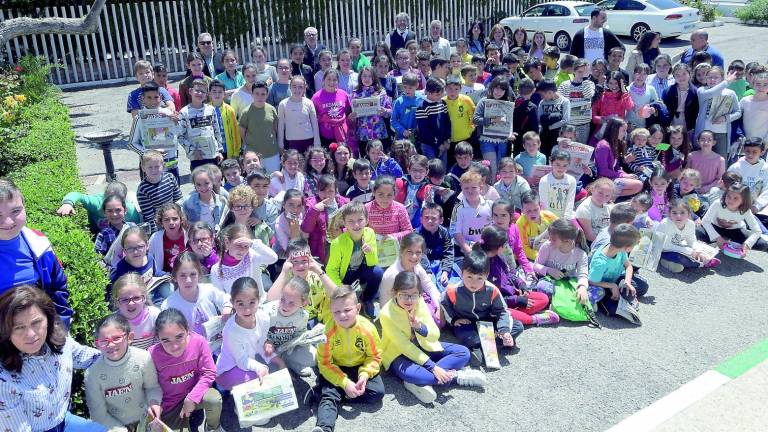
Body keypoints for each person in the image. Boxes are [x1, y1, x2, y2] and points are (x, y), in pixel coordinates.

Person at [0, 285, 104, 432]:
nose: (31, 334)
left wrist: (127, 358)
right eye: (19, 327)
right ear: (5, 330)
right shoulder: (3, 379)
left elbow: (87, 357)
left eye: (36, 323)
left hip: (63, 420)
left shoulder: (59, 341)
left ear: (48, 319)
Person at [380, 271, 486, 404]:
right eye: (404, 295)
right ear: (394, 292)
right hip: (399, 355)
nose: (409, 300)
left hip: (422, 345)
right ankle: (456, 376)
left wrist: (420, 327)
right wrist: (434, 368)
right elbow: (404, 346)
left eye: (414, 295)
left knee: (463, 352)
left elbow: (435, 334)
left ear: (419, 294)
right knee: (423, 374)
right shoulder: (386, 313)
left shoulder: (419, 302)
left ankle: (419, 382)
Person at [311, 286, 385, 432]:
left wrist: (364, 375)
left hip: (360, 366)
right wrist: (344, 383)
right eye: (336, 312)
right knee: (329, 396)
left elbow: (375, 356)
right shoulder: (327, 332)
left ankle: (327, 394)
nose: (342, 315)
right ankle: (324, 428)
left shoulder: (368, 329)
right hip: (336, 368)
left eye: (347, 310)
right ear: (331, 312)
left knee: (377, 393)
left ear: (357, 308)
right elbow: (324, 362)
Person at [441, 250, 519, 367]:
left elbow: (502, 311)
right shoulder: (454, 290)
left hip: (486, 322)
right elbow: (444, 304)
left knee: (518, 326)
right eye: (469, 277)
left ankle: (484, 346)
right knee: (465, 333)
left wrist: (504, 331)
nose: (474, 282)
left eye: (479, 278)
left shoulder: (492, 290)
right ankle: (482, 346)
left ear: (486, 276)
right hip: (466, 323)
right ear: (462, 273)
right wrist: (454, 320)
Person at [85, 313, 162, 431]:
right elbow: (98, 414)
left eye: (116, 338)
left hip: (146, 419)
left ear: (130, 337)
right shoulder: (92, 374)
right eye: (104, 341)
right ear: (97, 344)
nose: (110, 344)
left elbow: (152, 387)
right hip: (115, 426)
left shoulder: (144, 358)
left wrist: (154, 402)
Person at [150, 308, 222, 431]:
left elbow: (209, 372)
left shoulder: (198, 342)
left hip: (196, 392)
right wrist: (154, 403)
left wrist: (192, 398)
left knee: (214, 400)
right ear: (157, 338)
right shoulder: (152, 355)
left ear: (187, 330)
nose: (175, 346)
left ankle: (213, 427)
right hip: (170, 403)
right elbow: (150, 386)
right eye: (166, 340)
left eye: (179, 336)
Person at [327, 201, 385, 316]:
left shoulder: (370, 233)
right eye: (351, 221)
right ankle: (349, 300)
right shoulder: (337, 243)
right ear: (344, 223)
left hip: (361, 269)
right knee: (343, 298)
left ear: (367, 220)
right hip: (346, 275)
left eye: (360, 220)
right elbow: (331, 269)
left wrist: (369, 252)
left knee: (378, 272)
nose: (356, 225)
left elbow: (373, 262)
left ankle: (367, 299)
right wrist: (340, 287)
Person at [379, 233, 443, 326]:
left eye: (418, 252)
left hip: (416, 300)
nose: (414, 257)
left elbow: (429, 285)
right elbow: (385, 301)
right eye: (409, 252)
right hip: (399, 308)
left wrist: (438, 305)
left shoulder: (417, 266)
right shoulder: (392, 275)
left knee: (439, 320)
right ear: (401, 251)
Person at [211, 223, 278, 298]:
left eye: (246, 246)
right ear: (227, 242)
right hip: (235, 307)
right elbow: (220, 296)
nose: (242, 250)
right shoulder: (216, 269)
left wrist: (253, 243)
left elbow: (273, 258)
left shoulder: (251, 256)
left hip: (258, 302)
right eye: (238, 245)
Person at [656, 199, 721, 273]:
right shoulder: (665, 224)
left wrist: (698, 251)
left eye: (682, 213)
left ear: (689, 214)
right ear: (669, 214)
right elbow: (665, 246)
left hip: (677, 248)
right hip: (662, 250)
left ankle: (700, 260)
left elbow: (692, 241)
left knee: (681, 265)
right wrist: (690, 251)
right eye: (674, 213)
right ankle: (701, 264)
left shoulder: (690, 224)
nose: (678, 216)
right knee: (678, 257)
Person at [700, 183, 763, 255]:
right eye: (728, 196)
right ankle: (717, 241)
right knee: (698, 232)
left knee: (762, 244)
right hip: (716, 227)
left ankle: (731, 242)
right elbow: (705, 221)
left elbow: (757, 231)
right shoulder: (717, 204)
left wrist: (747, 244)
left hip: (735, 231)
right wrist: (717, 237)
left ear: (743, 200)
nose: (731, 200)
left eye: (735, 198)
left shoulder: (745, 210)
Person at [302, 175, 350, 264]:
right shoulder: (312, 204)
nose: (326, 194)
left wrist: (343, 231)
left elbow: (350, 224)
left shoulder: (344, 203)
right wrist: (315, 210)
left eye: (330, 191)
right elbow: (306, 228)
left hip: (340, 241)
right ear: (317, 190)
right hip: (321, 246)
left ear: (336, 191)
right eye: (322, 190)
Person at [694, 68, 741, 159]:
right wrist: (727, 81)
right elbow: (712, 92)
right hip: (704, 132)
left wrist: (725, 118)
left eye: (716, 77)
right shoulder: (702, 90)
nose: (712, 80)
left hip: (722, 133)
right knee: (703, 160)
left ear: (721, 79)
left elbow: (738, 112)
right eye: (709, 77)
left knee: (721, 160)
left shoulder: (730, 93)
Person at [178, 79, 224, 170]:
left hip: (212, 155)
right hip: (197, 157)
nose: (200, 93)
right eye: (197, 90)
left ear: (206, 94)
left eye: (203, 91)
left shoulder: (211, 109)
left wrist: (219, 150)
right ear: (190, 91)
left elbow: (216, 131)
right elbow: (180, 136)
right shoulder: (184, 112)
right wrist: (193, 151)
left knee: (214, 181)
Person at [594, 118, 644, 197]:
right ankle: (609, 196)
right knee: (638, 184)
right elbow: (603, 171)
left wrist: (626, 175)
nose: (625, 133)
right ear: (615, 130)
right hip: (604, 179)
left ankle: (610, 196)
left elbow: (616, 167)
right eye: (623, 130)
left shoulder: (615, 144)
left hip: (613, 177)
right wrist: (623, 176)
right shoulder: (603, 146)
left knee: (637, 181)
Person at [110, 272, 160, 350]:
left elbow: (159, 343)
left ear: (144, 298)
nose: (131, 303)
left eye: (136, 298)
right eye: (125, 300)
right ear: (116, 302)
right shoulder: (113, 323)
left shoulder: (155, 315)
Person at [136, 150, 182, 233]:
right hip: (158, 223)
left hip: (174, 215)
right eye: (150, 167)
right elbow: (149, 217)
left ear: (163, 166)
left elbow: (178, 200)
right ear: (143, 168)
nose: (154, 170)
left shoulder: (170, 177)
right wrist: (157, 234)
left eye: (157, 166)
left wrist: (181, 220)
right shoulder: (142, 190)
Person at [450, 171, 493, 257]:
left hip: (486, 247)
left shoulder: (490, 205)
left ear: (481, 188)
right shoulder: (457, 208)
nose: (470, 191)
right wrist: (467, 249)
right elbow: (455, 231)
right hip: (464, 249)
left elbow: (495, 227)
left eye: (473, 187)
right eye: (466, 188)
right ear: (461, 189)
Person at [727, 138, 768, 225]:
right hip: (737, 204)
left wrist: (756, 206)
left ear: (762, 152)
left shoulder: (765, 168)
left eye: (754, 152)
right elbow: (728, 187)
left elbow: (766, 191)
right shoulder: (736, 167)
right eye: (747, 151)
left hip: (757, 206)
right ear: (743, 150)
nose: (750, 154)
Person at [278, 75, 321, 153]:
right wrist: (280, 145)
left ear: (304, 88)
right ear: (290, 87)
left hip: (309, 140)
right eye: (294, 86)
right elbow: (280, 126)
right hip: (291, 142)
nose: (297, 89)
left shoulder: (309, 102)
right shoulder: (283, 104)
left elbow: (315, 124)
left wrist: (317, 144)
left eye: (300, 87)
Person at [558, 58, 596, 144]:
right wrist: (580, 108)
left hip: (583, 126)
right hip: (568, 126)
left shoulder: (590, 84)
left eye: (584, 72)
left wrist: (585, 79)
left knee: (580, 151)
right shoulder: (564, 85)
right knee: (565, 149)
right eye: (579, 72)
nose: (582, 75)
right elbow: (560, 105)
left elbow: (588, 95)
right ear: (574, 71)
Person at [576, 178, 614, 243]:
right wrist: (609, 243)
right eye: (600, 193)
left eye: (607, 196)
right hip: (594, 243)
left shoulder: (609, 207)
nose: (603, 197)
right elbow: (589, 236)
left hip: (607, 238)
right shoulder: (585, 209)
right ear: (593, 189)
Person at [663, 63, 699, 132]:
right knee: (674, 138)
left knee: (685, 140)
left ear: (689, 74)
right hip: (673, 120)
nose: (681, 77)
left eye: (684, 74)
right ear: (674, 77)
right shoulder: (668, 91)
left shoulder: (695, 92)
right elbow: (665, 109)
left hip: (688, 121)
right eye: (677, 75)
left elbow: (696, 111)